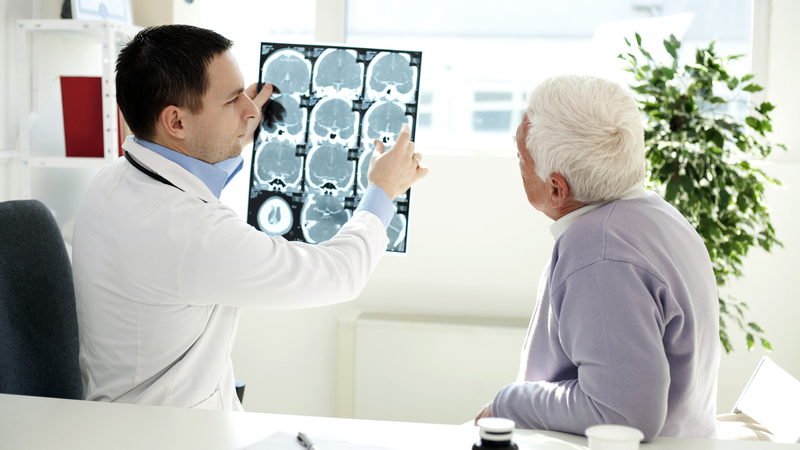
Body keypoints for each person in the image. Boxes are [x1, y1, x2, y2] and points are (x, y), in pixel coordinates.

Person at [72, 24, 428, 411]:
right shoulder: (194, 235)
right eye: (232, 101)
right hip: (173, 433)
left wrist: (232, 129)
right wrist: (383, 190)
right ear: (176, 122)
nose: (251, 108)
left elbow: (186, 205)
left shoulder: (110, 182)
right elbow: (340, 274)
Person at [473, 75, 719, 440]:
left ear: (557, 188)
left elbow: (623, 414)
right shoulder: (658, 215)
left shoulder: (601, 252)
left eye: (520, 155)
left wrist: (506, 405)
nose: (518, 162)